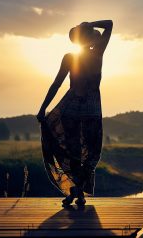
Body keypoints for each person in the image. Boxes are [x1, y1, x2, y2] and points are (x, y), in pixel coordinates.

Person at [37, 20, 113, 206]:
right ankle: (77, 192)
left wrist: (86, 24)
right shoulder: (93, 54)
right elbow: (109, 25)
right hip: (83, 111)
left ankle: (76, 191)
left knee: (84, 154)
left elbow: (110, 24)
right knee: (83, 154)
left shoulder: (92, 54)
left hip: (79, 111)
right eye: (89, 33)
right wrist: (42, 107)